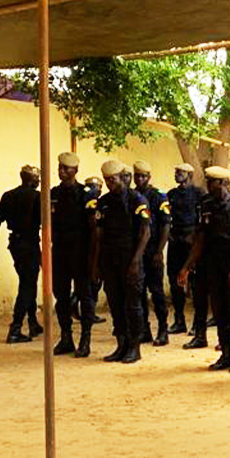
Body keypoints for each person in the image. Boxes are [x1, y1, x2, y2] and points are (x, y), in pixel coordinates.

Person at [175, 165, 230, 373]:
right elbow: (201, 239)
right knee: (219, 310)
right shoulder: (206, 204)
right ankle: (226, 353)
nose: (208, 185)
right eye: (207, 181)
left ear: (223, 183)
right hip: (213, 265)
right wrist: (186, 266)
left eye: (211, 182)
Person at [91, 159, 151, 363]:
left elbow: (145, 233)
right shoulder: (103, 202)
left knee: (132, 305)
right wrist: (96, 264)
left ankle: (135, 347)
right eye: (107, 180)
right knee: (115, 304)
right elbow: (99, 235)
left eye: (113, 179)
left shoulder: (137, 200)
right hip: (110, 259)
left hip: (130, 258)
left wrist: (136, 261)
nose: (110, 183)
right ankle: (121, 344)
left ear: (122, 177)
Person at [0, 164, 43, 344]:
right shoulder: (37, 197)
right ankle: (15, 328)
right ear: (32, 179)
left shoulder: (8, 195)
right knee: (27, 285)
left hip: (15, 245)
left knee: (28, 281)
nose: (38, 182)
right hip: (30, 243)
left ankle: (33, 322)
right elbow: (46, 223)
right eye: (37, 179)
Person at [48, 153, 98, 358]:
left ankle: (85, 339)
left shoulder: (86, 193)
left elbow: (93, 227)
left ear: (75, 171)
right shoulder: (53, 193)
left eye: (66, 168)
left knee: (85, 296)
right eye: (60, 167)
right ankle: (66, 337)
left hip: (80, 250)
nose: (61, 171)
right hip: (60, 250)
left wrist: (93, 258)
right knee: (61, 296)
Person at [165, 163, 205, 343]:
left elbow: (202, 219)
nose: (177, 175)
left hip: (192, 241)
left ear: (189, 174)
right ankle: (179, 319)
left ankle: (198, 323)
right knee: (175, 280)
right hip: (176, 240)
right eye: (175, 171)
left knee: (196, 283)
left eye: (180, 172)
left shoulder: (199, 194)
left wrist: (194, 236)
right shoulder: (171, 194)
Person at [131, 161, 171, 346]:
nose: (139, 179)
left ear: (149, 177)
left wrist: (159, 251)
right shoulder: (132, 196)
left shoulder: (158, 197)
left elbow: (165, 225)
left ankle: (163, 329)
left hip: (152, 250)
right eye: (137, 175)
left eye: (143, 176)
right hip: (137, 252)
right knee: (139, 294)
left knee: (156, 292)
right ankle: (144, 330)